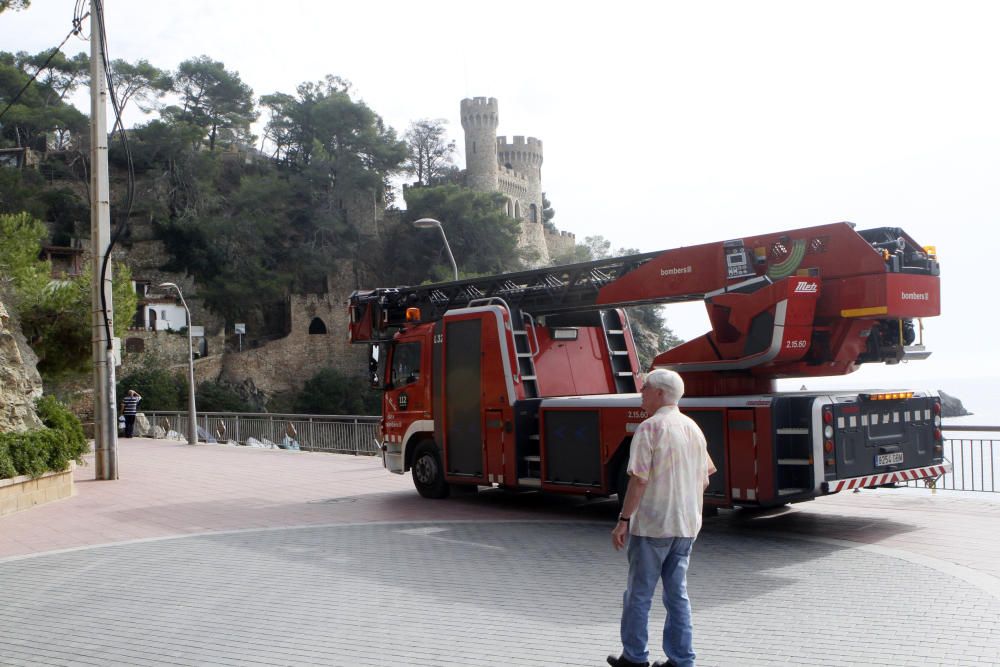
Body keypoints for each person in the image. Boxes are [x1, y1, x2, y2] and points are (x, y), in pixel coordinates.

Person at [608, 369, 716, 667]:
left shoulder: (650, 428)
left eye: (645, 388)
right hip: (687, 525)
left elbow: (638, 480)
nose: (641, 394)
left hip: (654, 525)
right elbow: (705, 477)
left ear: (660, 393)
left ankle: (634, 657)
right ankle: (681, 659)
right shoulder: (693, 428)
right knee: (677, 595)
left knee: (639, 595)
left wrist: (623, 520)